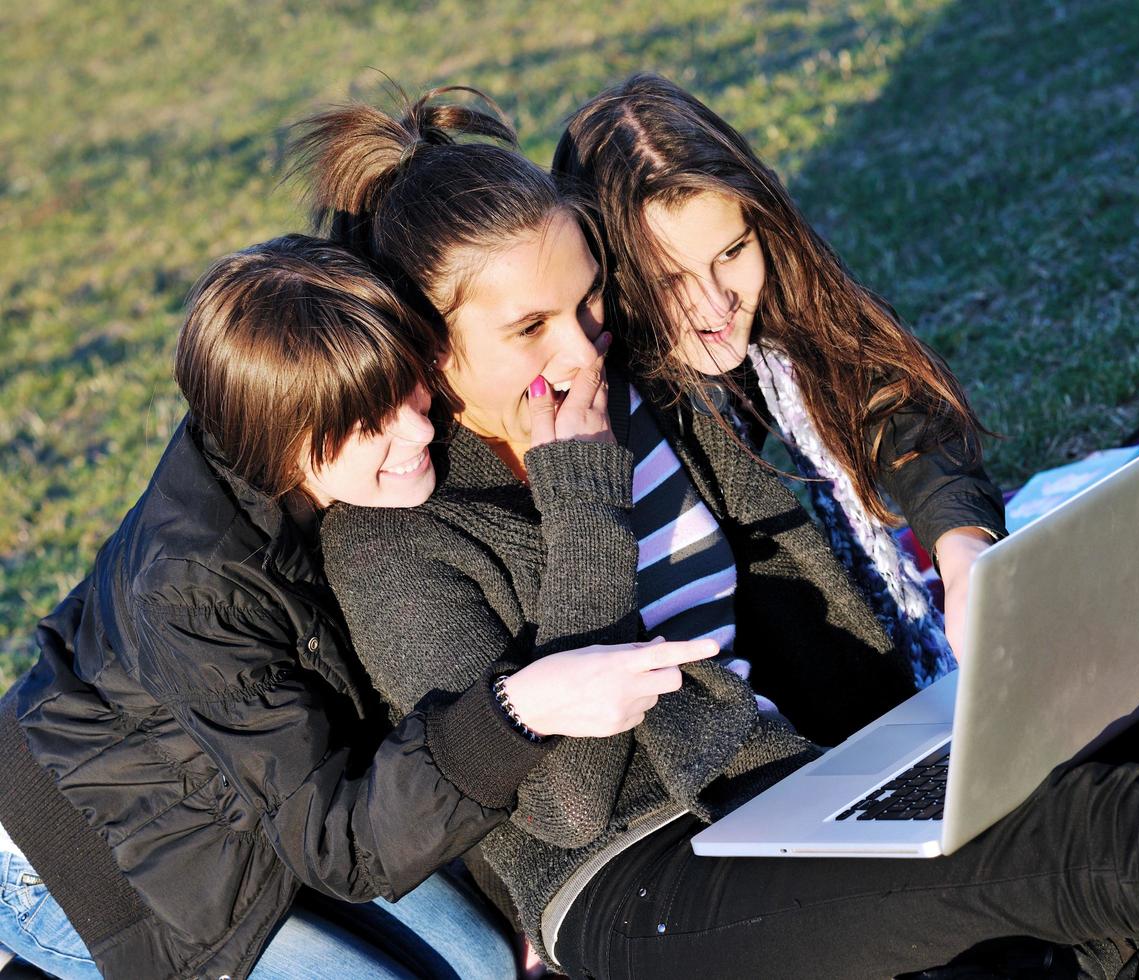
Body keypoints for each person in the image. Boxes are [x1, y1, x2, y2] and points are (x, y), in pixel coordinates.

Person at [293, 82, 1139, 980]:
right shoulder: (392, 538)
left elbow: (839, 440)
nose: (583, 348)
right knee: (1055, 837)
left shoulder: (643, 394)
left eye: (592, 305)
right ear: (433, 347)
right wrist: (581, 490)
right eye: (533, 326)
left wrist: (932, 693)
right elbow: (562, 806)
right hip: (639, 876)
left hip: (806, 777)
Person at [0, 235, 711, 979]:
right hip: (85, 864)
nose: (419, 429)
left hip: (244, 796)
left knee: (485, 960)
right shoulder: (194, 594)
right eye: (370, 422)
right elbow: (339, 847)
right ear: (278, 437)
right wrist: (517, 711)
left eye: (407, 385)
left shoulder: (300, 434)